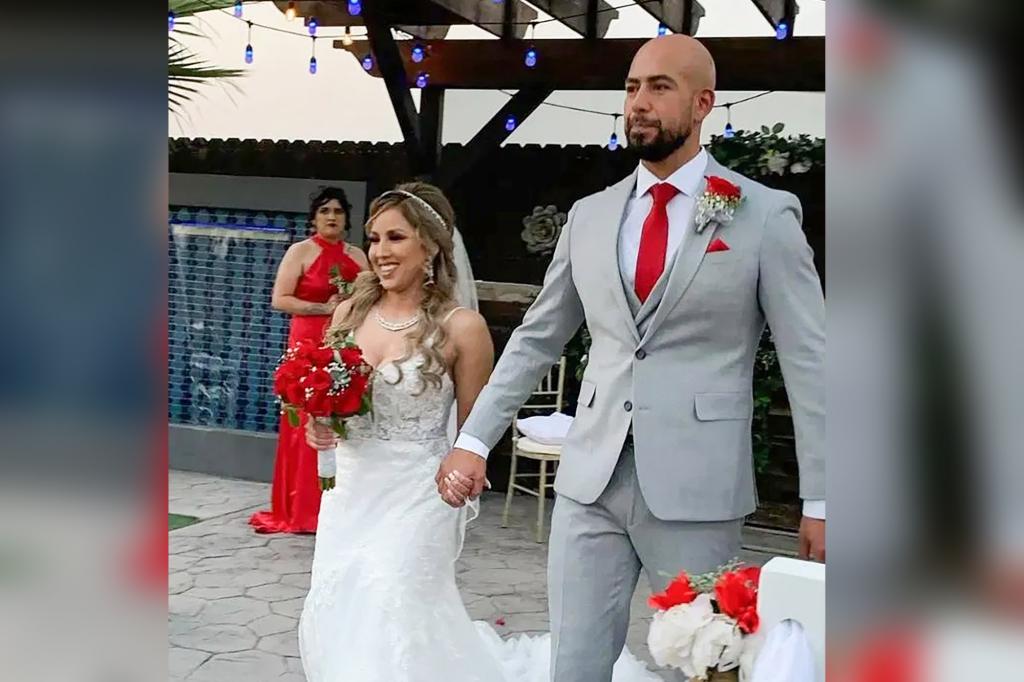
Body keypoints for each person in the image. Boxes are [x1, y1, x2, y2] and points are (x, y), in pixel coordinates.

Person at [437, 35, 827, 682]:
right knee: (575, 667)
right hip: (590, 482)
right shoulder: (591, 216)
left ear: (703, 103)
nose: (638, 102)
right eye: (631, 86)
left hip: (697, 490)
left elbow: (809, 359)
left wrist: (821, 499)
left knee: (703, 667)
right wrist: (475, 438)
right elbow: (538, 335)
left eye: (659, 87)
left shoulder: (759, 214)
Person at [299, 182, 660, 681]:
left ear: (429, 245)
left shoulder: (461, 328)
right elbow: (330, 400)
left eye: (396, 238)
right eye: (375, 238)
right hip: (352, 489)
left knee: (392, 595)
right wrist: (319, 425)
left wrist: (466, 474)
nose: (380, 252)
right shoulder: (348, 314)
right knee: (341, 602)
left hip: (420, 494)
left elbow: (477, 431)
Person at [249, 186, 369, 534]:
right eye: (324, 211)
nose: (332, 217)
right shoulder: (300, 252)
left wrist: (348, 304)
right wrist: (323, 308)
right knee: (304, 418)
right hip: (306, 340)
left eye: (338, 211)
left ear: (347, 218)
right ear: (314, 217)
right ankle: (300, 508)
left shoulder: (358, 256)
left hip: (344, 340)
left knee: (342, 414)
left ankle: (336, 504)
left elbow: (370, 296)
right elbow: (280, 299)